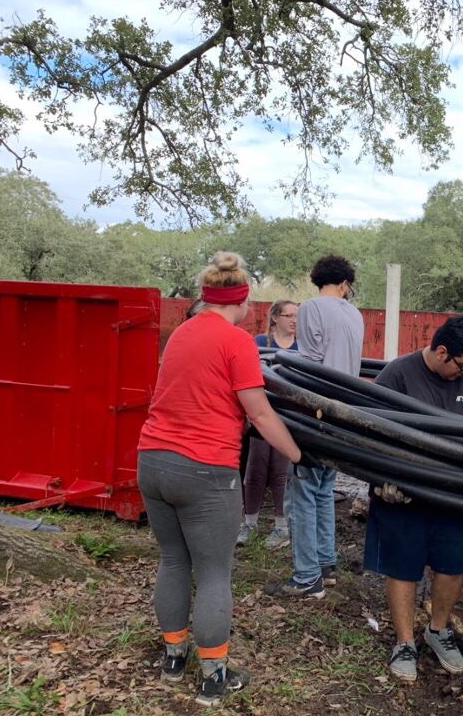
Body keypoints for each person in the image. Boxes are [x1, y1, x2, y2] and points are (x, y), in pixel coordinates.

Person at [137, 252, 303, 707]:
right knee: (213, 573)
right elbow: (260, 412)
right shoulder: (238, 342)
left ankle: (173, 656)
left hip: (152, 461)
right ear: (244, 299)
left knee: (173, 560)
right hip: (205, 471)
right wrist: (296, 453)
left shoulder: (181, 334)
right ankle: (214, 675)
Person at [367, 315, 463, 682]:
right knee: (403, 567)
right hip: (404, 496)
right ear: (442, 352)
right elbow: (370, 434)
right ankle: (405, 642)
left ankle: (437, 631)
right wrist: (382, 477)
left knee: (452, 566)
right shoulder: (398, 375)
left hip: (452, 496)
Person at [271, 256, 363, 598]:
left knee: (302, 492)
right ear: (344, 283)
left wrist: (278, 369)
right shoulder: (354, 314)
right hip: (344, 411)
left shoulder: (311, 307)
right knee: (324, 488)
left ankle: (307, 577)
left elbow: (310, 360)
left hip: (316, 410)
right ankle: (326, 565)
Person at [237, 300, 300, 549]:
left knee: (281, 471)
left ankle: (281, 526)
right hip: (262, 413)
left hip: (289, 417)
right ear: (274, 318)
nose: (295, 320)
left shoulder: (302, 346)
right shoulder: (259, 344)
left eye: (298, 316)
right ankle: (249, 523)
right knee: (256, 467)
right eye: (289, 315)